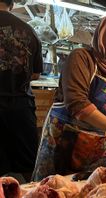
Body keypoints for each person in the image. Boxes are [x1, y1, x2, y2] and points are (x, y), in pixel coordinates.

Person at [32, 16, 106, 181]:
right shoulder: (81, 58)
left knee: (93, 188)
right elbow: (77, 103)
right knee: (53, 188)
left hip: (98, 149)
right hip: (64, 143)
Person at [0, 0, 43, 183]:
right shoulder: (29, 31)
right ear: (12, 3)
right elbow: (35, 74)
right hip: (21, 108)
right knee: (28, 168)